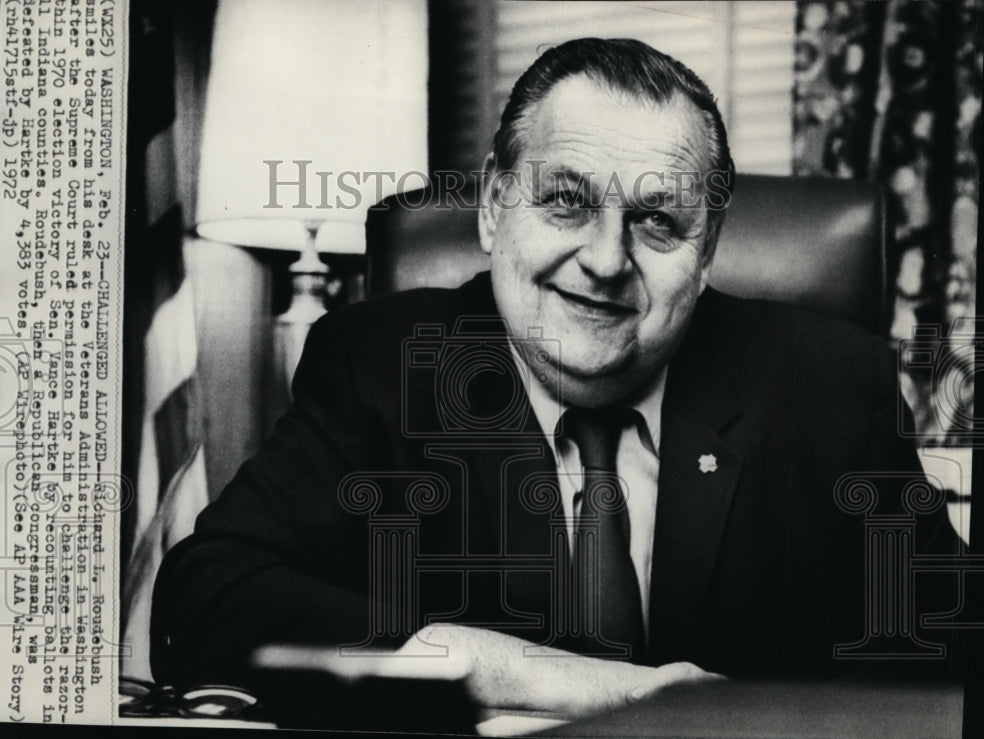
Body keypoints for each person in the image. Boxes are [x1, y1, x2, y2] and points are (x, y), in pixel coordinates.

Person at [151, 38, 960, 718]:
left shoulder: (829, 382)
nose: (607, 260)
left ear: (708, 247)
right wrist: (567, 682)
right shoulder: (383, 363)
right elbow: (206, 603)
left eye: (657, 220)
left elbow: (953, 642)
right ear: (495, 207)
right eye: (566, 201)